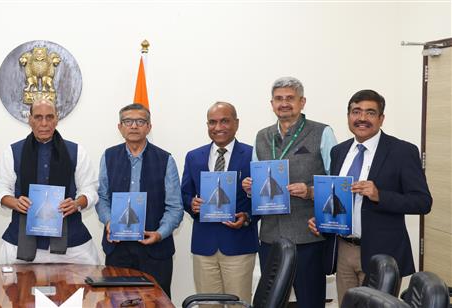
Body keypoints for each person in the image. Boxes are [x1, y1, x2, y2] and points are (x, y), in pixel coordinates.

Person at [307, 89, 432, 304]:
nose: (362, 118)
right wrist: (323, 220)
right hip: (344, 251)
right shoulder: (339, 151)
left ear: (381, 118)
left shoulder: (402, 151)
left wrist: (379, 195)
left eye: (370, 113)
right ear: (348, 116)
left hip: (382, 254)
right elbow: (337, 198)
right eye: (356, 112)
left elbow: (422, 202)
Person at [242, 77, 337, 308]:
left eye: (290, 98)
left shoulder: (322, 132)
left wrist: (310, 191)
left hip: (308, 235)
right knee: (271, 301)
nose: (284, 103)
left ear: (302, 102)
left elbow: (336, 183)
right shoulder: (261, 136)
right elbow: (257, 181)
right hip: (270, 236)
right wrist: (250, 188)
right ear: (271, 103)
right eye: (279, 99)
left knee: (310, 301)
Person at [0, 98, 99, 264]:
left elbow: (90, 189)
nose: (44, 123)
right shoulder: (13, 151)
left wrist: (77, 203)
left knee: (86, 284)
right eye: (38, 117)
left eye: (49, 117)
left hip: (72, 242)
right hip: (20, 241)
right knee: (11, 287)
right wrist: (14, 202)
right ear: (30, 119)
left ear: (57, 119)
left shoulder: (77, 151)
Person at [96, 103, 183, 297]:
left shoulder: (165, 159)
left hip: (155, 251)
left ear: (149, 127)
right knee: (117, 300)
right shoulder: (108, 156)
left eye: (140, 121)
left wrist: (160, 234)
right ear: (120, 127)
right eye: (128, 121)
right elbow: (102, 197)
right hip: (118, 250)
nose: (134, 126)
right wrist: (109, 221)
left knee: (155, 302)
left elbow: (175, 207)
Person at [181, 102, 257, 303]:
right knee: (207, 304)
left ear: (236, 123)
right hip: (204, 246)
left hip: (239, 245)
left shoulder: (253, 155)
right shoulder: (194, 157)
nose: (218, 127)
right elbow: (184, 194)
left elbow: (265, 199)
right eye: (212, 122)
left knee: (238, 303)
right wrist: (192, 204)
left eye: (224, 121)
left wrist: (247, 216)